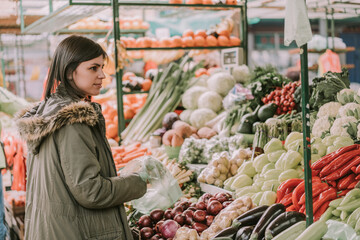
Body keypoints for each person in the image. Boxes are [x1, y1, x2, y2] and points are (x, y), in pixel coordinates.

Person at [15, 35, 147, 240]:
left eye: (102, 67)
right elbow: (90, 191)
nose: (102, 75)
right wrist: (139, 182)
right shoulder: (73, 121)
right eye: (93, 68)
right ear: (69, 72)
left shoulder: (49, 111)